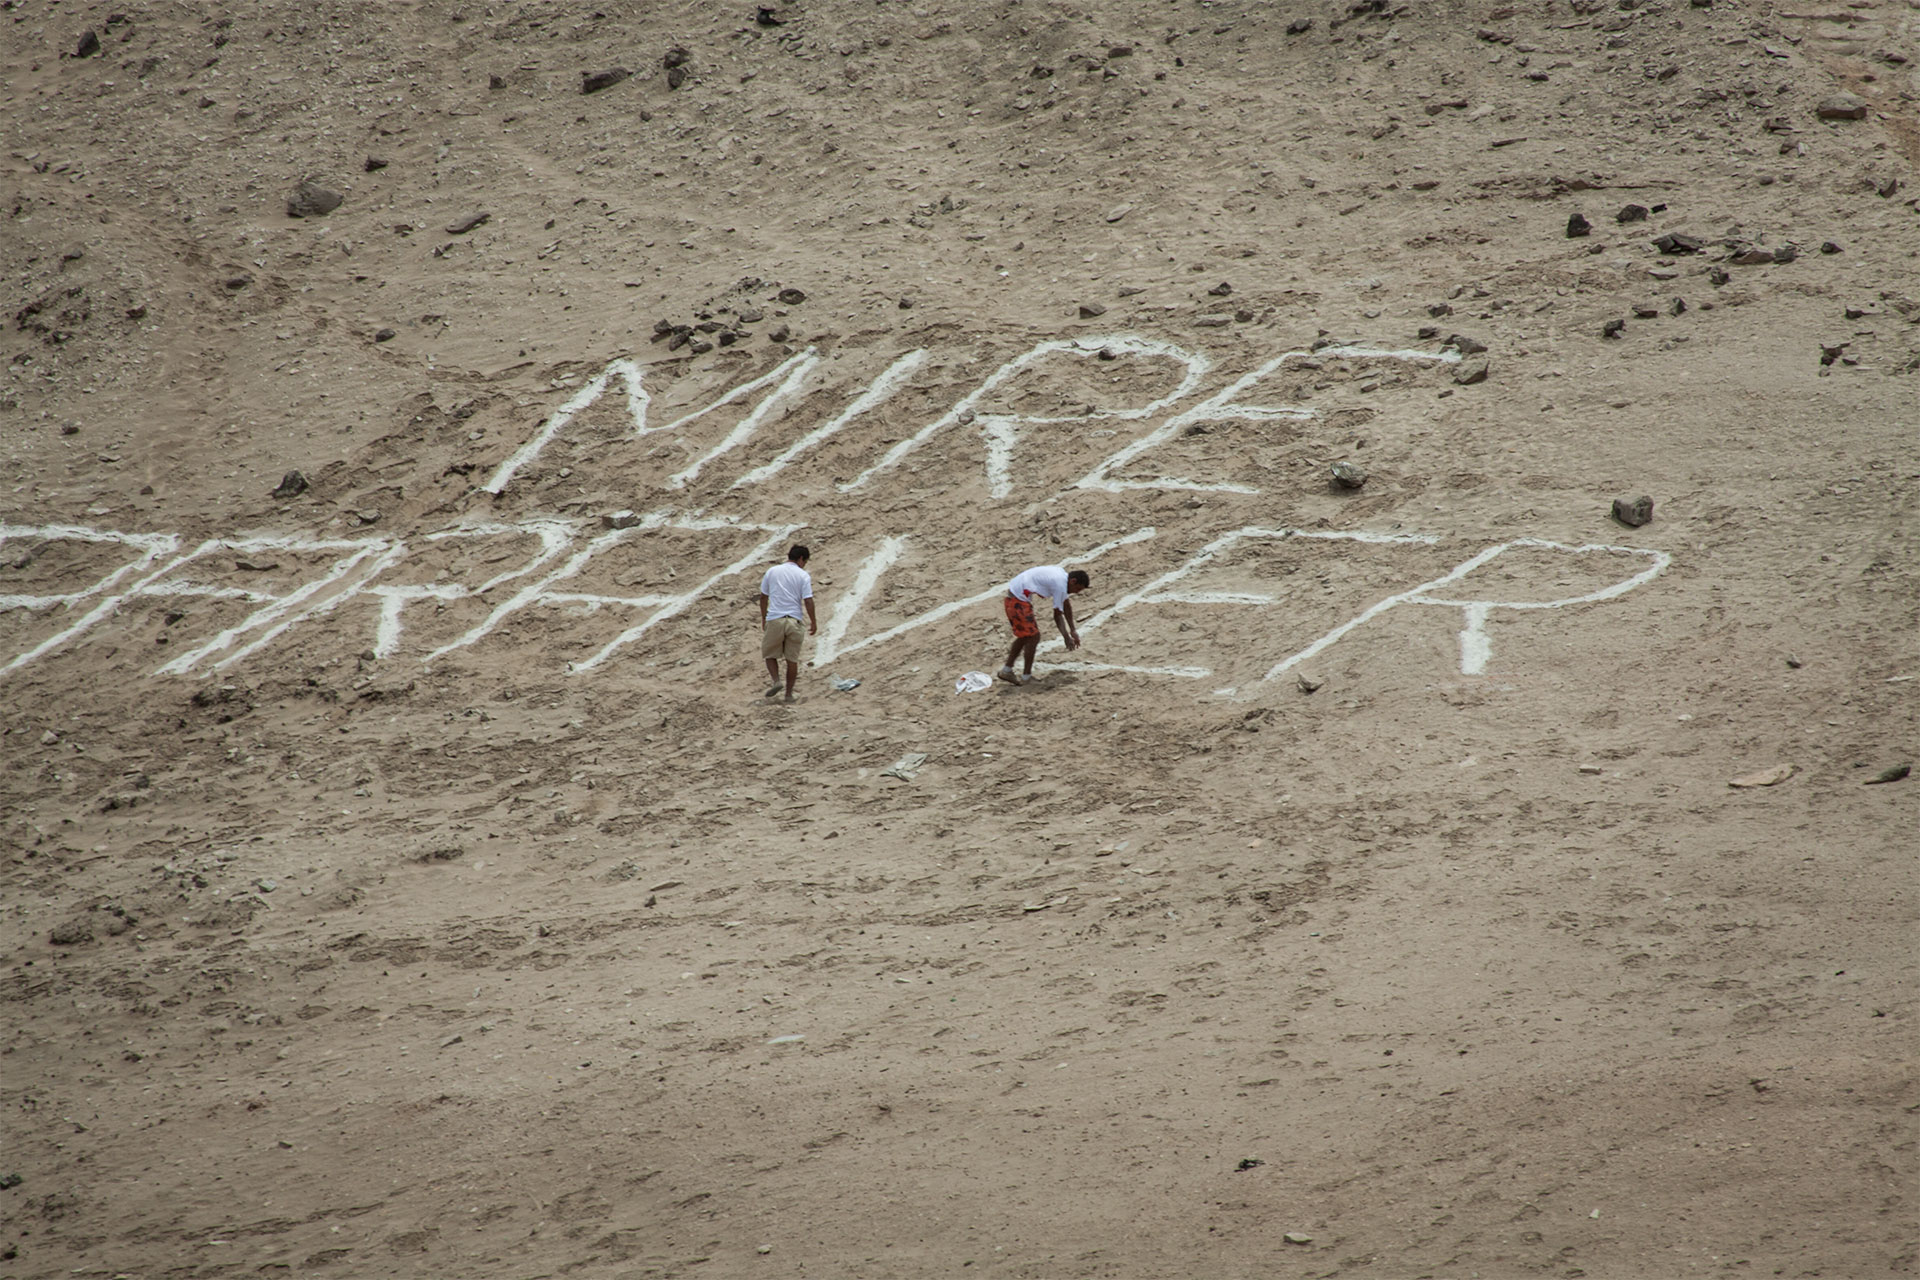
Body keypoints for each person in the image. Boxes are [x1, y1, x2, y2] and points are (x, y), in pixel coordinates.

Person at [1000, 565, 1089, 685]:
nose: (1076, 592)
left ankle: (1008, 670)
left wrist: (1073, 630)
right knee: (1033, 637)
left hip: (1016, 597)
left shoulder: (1062, 577)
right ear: (1073, 581)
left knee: (1026, 636)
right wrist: (1066, 637)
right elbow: (1057, 615)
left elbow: (1066, 604)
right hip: (1017, 602)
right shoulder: (1060, 585)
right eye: (1077, 589)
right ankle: (1025, 677)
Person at [757, 544, 815, 702]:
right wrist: (813, 622)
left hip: (775, 618)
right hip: (794, 620)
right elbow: (808, 601)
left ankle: (776, 681)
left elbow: (763, 597)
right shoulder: (803, 575)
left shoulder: (772, 571)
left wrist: (764, 618)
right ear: (801, 558)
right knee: (792, 659)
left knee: (769, 654)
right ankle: (789, 694)